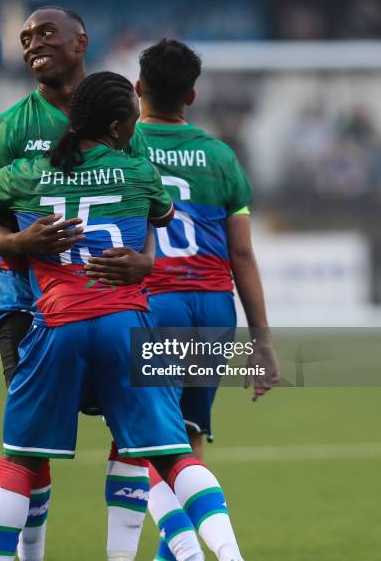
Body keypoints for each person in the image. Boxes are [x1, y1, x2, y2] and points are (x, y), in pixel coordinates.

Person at [0, 71, 245, 561]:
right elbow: (160, 218)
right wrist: (142, 254)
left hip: (56, 326)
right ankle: (228, 555)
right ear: (121, 128)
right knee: (170, 454)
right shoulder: (139, 171)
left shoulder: (27, 172)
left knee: (19, 460)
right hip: (126, 322)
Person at [0, 7, 155, 560]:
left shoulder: (121, 117)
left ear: (82, 41)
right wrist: (16, 247)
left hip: (109, 301)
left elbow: (146, 215)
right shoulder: (10, 128)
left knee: (132, 436)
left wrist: (145, 264)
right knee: (31, 450)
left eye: (46, 33)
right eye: (26, 38)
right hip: (29, 304)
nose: (33, 43)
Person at [101, 38, 277, 561]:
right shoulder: (222, 156)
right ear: (193, 96)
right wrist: (262, 342)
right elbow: (242, 255)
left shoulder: (120, 147)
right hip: (214, 310)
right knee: (187, 450)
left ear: (136, 90)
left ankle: (206, 553)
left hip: (155, 305)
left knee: (144, 449)